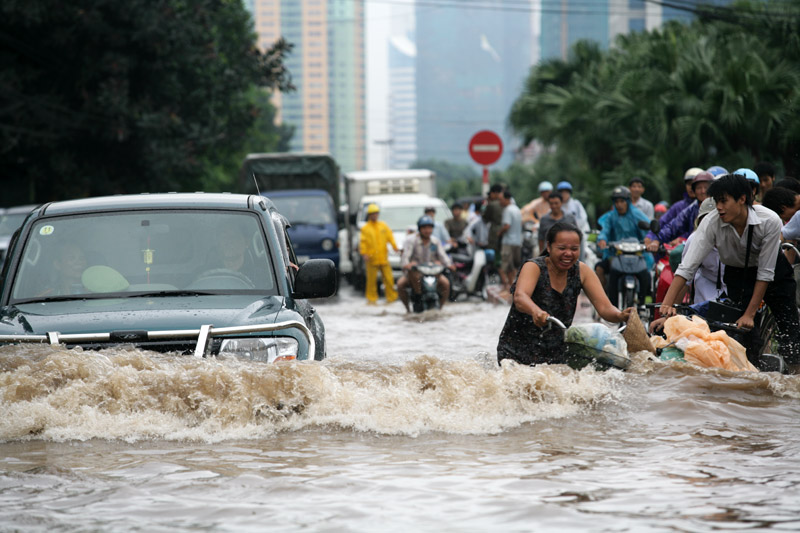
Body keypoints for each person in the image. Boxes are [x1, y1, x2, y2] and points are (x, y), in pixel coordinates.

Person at [659, 174, 800, 368]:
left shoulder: (769, 220)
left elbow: (766, 272)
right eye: (717, 201)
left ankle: (794, 374)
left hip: (774, 271)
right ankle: (750, 373)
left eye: (724, 201)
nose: (719, 207)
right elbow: (687, 267)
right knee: (742, 334)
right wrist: (666, 306)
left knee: (789, 326)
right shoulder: (711, 222)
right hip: (737, 274)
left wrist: (750, 313)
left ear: (742, 199)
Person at [496, 221, 633, 366]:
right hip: (516, 350)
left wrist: (620, 315)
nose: (568, 254)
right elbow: (520, 296)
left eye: (574, 249)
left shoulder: (582, 271)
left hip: (556, 353)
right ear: (548, 247)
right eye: (562, 248)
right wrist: (535, 311)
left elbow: (605, 308)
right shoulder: (534, 267)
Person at [595, 186, 653, 300]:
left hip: (637, 254)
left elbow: (649, 230)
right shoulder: (610, 217)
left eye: (622, 201)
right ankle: (608, 303)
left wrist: (649, 239)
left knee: (646, 275)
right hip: (615, 254)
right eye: (616, 202)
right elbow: (605, 230)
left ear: (628, 201)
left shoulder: (637, 214)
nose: (619, 205)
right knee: (607, 271)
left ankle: (644, 303)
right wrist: (602, 239)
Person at [646, 171, 714, 251]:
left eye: (706, 187)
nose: (703, 191)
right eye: (699, 188)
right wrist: (657, 240)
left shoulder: (718, 207)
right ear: (694, 191)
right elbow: (673, 226)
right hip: (694, 251)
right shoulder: (691, 209)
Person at [397, 216, 452, 312]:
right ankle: (408, 308)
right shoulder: (411, 241)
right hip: (415, 273)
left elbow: (443, 256)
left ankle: (440, 309)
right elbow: (405, 257)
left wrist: (449, 264)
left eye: (429, 228)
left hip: (433, 273)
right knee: (400, 284)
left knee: (446, 284)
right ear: (419, 229)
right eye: (424, 228)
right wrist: (408, 264)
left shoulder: (435, 241)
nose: (427, 231)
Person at [680, 197, 726, 304]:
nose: (710, 225)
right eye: (705, 220)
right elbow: (684, 276)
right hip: (705, 285)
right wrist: (671, 310)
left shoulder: (733, 236)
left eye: (715, 220)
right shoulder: (693, 240)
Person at [359, 203, 399, 306]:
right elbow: (363, 242)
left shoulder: (383, 226)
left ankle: (391, 298)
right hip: (372, 259)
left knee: (389, 279)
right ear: (369, 215)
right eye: (372, 213)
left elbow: (390, 237)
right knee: (371, 281)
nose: (374, 215)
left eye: (376, 213)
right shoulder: (365, 228)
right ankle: (371, 300)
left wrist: (395, 247)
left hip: (383, 258)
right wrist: (364, 253)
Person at [497, 190, 522, 290]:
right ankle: (514, 286)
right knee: (514, 267)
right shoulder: (517, 209)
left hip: (508, 242)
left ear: (507, 199)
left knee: (506, 267)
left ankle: (509, 287)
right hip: (517, 242)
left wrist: (499, 232)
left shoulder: (507, 210)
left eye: (501, 199)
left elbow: (507, 225)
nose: (500, 202)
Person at [482, 184, 505, 258]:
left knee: (494, 252)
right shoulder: (507, 203)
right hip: (506, 230)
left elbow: (485, 218)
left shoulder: (492, 204)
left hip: (495, 230)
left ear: (495, 193)